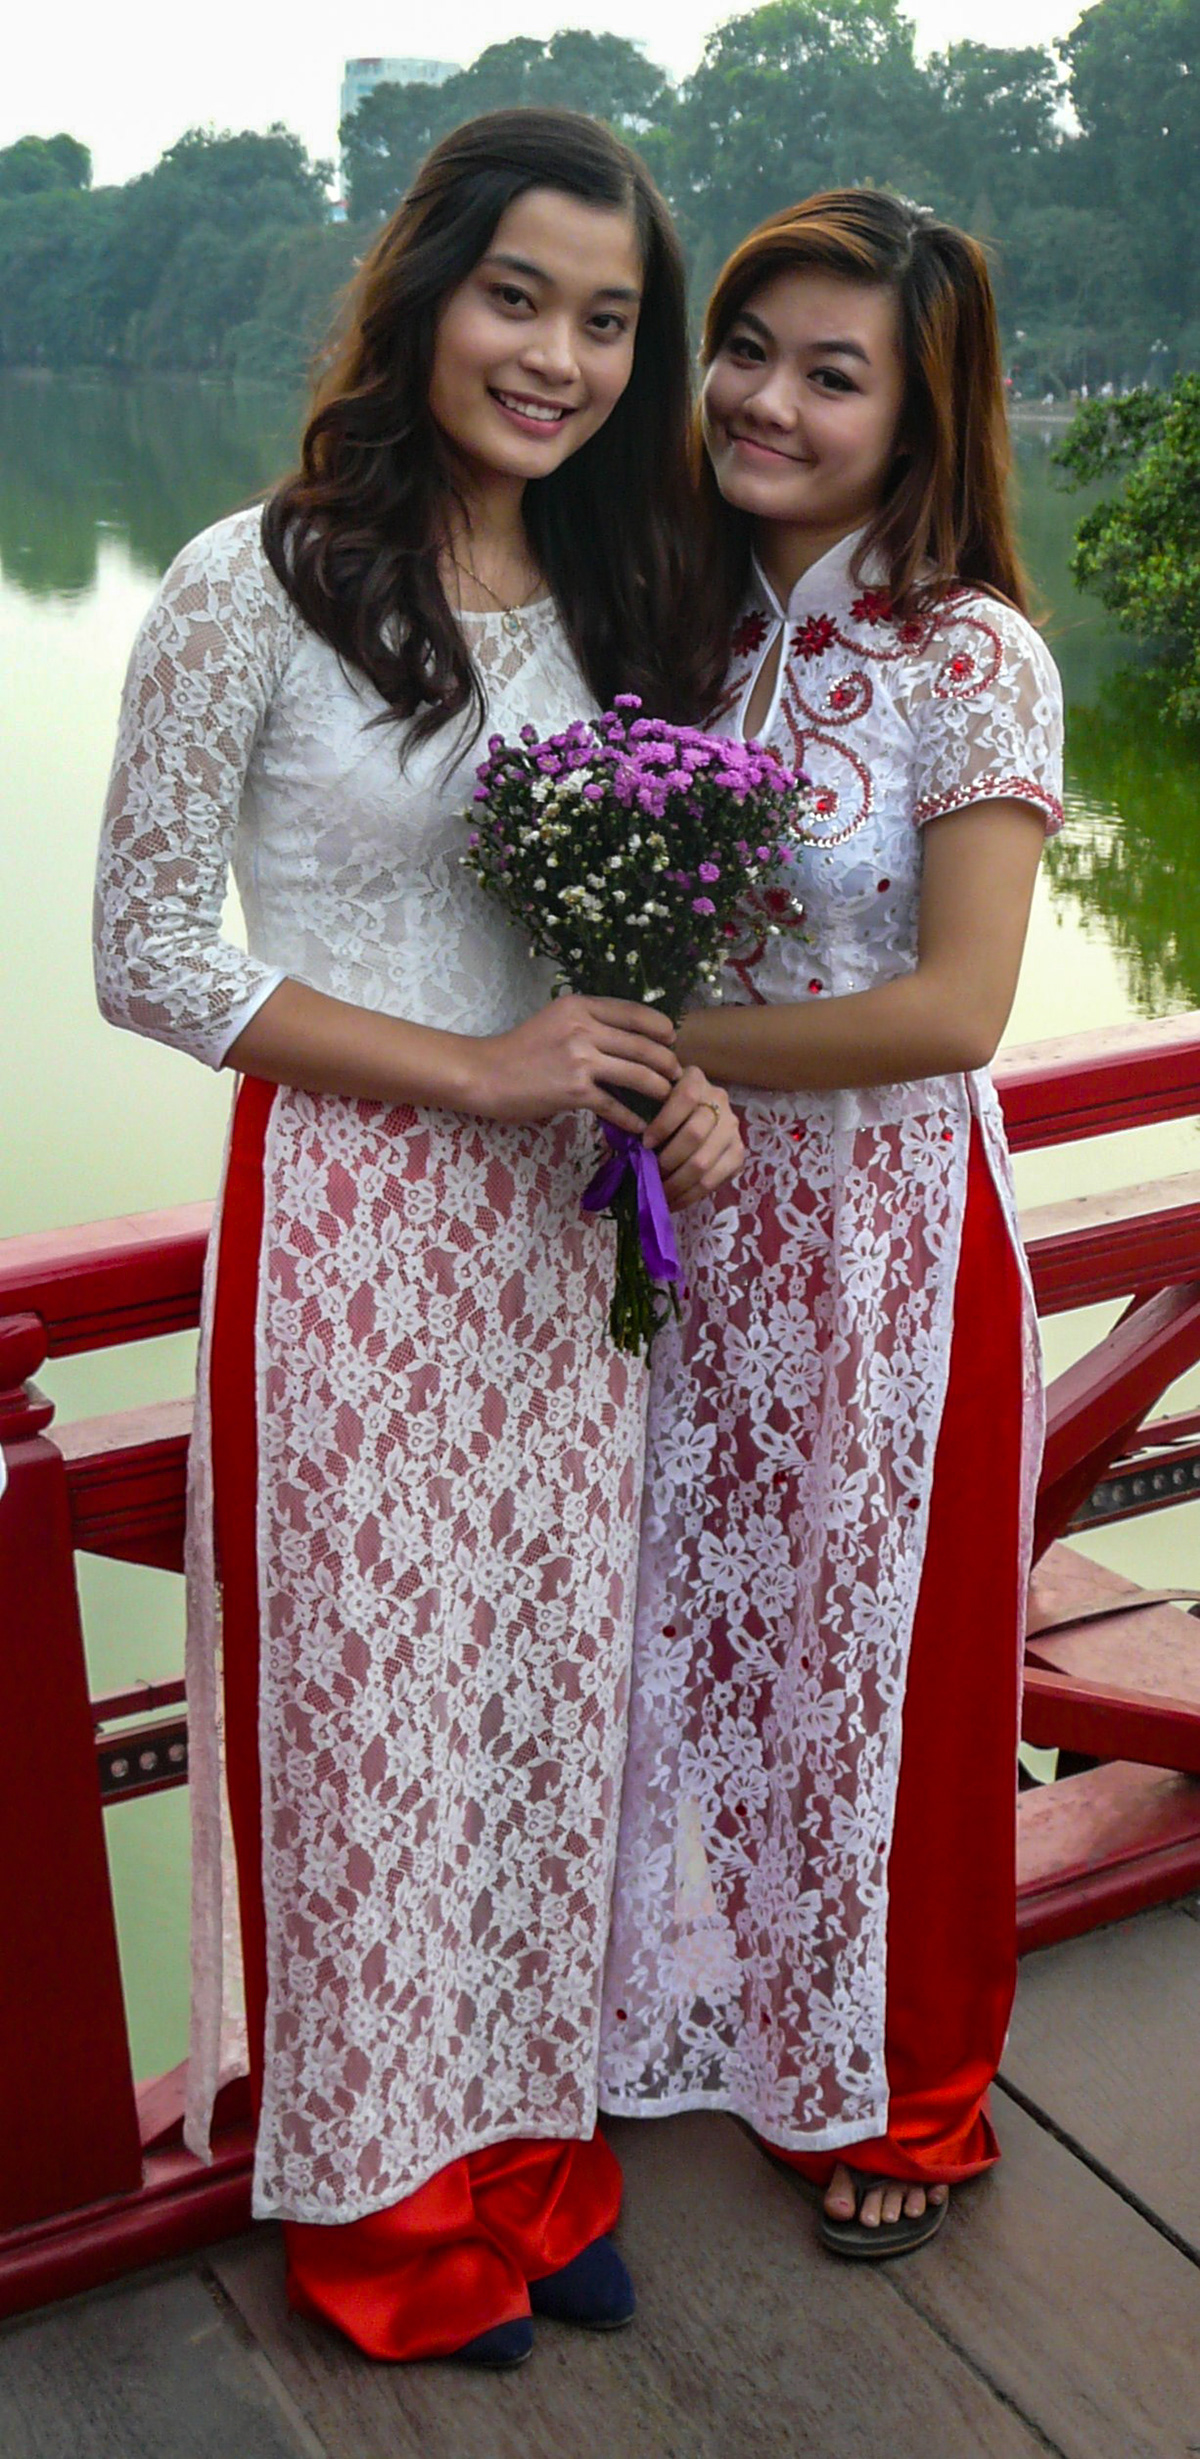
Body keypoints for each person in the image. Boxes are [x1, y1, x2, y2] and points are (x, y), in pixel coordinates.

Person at [93, 108, 741, 2366]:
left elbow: (624, 933)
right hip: (354, 1230)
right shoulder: (247, 580)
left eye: (607, 320)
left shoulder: (624, 591)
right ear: (425, 293)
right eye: (516, 297)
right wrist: (471, 1073)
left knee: (553, 1695)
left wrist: (679, 1080)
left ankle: (531, 2151)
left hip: (570, 1247)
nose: (557, 357)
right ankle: (379, 2200)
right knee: (376, 1721)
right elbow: (149, 955)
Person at [599, 189, 1064, 2258]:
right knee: (687, 1645)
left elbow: (959, 1012)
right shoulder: (671, 621)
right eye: (747, 349)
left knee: (895, 1679)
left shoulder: (970, 654)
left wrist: (643, 1040)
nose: (766, 401)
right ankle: (692, 2015)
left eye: (832, 373)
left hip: (891, 1253)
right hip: (673, 1233)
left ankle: (917, 2092)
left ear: (919, 414)